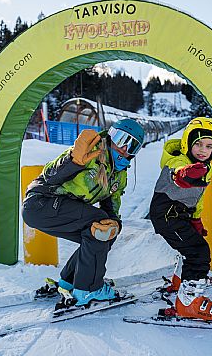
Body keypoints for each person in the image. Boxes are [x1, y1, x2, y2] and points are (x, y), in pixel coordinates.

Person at [22, 118, 144, 307]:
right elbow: (50, 175)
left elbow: (111, 206)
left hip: (59, 208)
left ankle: (70, 281)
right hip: (41, 202)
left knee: (104, 230)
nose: (124, 149)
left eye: (132, 146)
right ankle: (88, 288)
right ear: (110, 136)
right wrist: (72, 161)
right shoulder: (91, 150)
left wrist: (115, 224)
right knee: (100, 225)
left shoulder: (119, 175)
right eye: (121, 139)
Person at [150, 117, 212, 322]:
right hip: (166, 216)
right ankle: (188, 304)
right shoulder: (180, 161)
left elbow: (197, 197)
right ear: (187, 144)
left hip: (180, 214)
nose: (203, 150)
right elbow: (178, 173)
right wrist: (184, 174)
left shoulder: (205, 166)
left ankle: (181, 282)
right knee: (198, 251)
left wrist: (196, 220)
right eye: (198, 144)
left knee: (193, 244)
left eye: (209, 146)